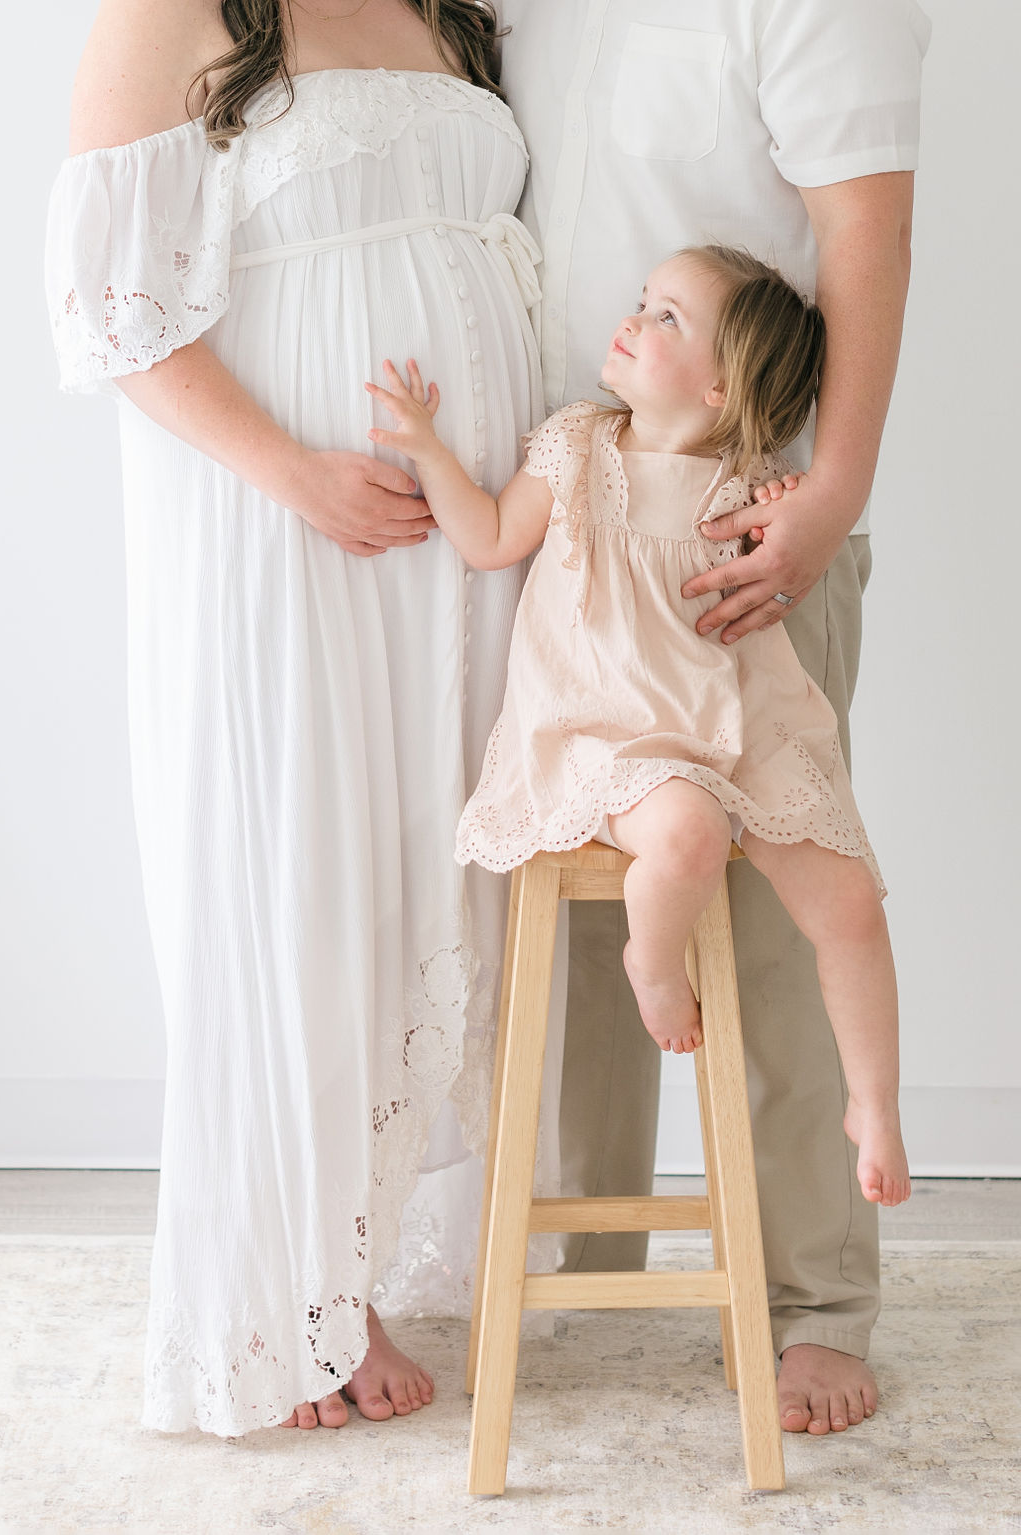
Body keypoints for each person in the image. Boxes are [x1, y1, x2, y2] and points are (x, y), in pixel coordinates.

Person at [46, 0, 544, 1436]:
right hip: (283, 528)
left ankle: (369, 1248)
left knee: (421, 864)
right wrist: (297, 473)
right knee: (300, 871)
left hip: (459, 542)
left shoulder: (449, 8)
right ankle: (287, 1287)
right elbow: (112, 312)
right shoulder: (171, 10)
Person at [495, 0, 930, 1433]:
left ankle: (813, 1304)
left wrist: (832, 496)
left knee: (785, 919)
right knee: (610, 915)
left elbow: (864, 234)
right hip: (578, 511)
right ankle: (589, 1260)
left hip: (749, 524)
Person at [367, 244, 911, 1209]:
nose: (633, 319)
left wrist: (781, 508)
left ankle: (874, 1102)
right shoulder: (579, 445)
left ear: (722, 384)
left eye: (667, 318)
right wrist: (426, 450)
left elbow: (772, 564)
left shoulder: (748, 481)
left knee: (854, 900)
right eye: (642, 301)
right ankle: (651, 964)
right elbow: (491, 535)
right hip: (610, 729)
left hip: (736, 721)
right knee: (689, 834)